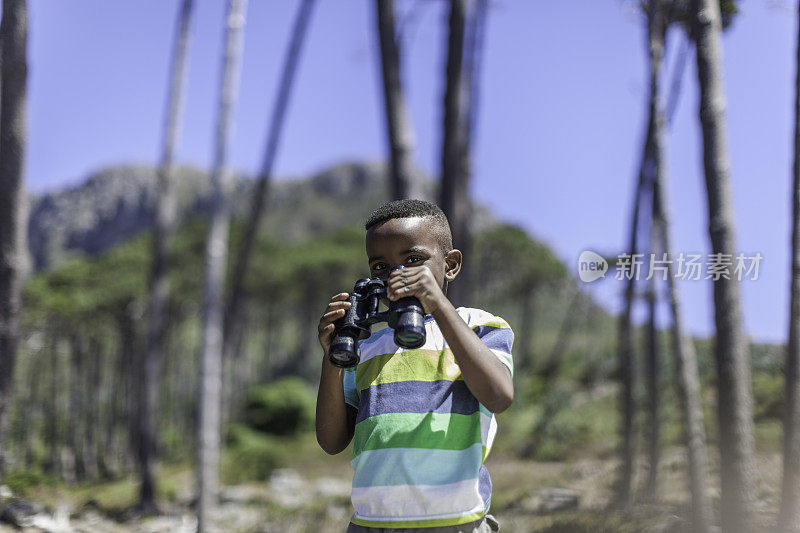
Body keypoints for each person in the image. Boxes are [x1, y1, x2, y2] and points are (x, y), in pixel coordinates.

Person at [315, 199, 514, 532]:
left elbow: (499, 396)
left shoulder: (477, 327)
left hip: (456, 522)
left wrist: (437, 303)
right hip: (372, 524)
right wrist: (332, 356)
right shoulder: (365, 349)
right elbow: (332, 441)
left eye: (413, 260)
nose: (396, 274)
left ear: (449, 265)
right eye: (380, 267)